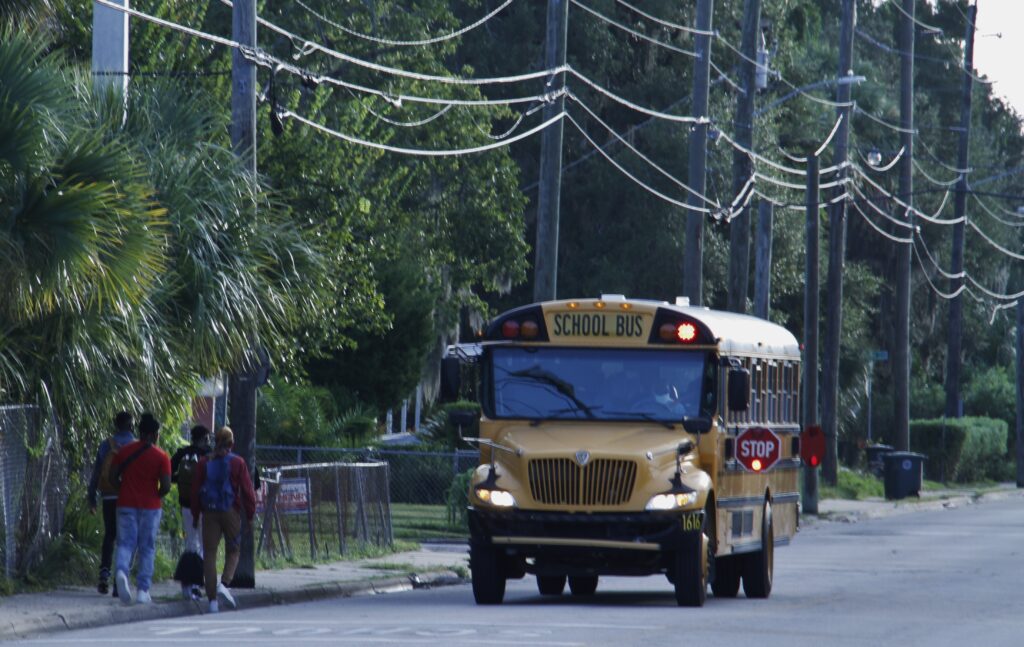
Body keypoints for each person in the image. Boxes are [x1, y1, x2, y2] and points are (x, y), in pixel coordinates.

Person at [191, 426, 256, 614]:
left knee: (209, 555)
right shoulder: (238, 462)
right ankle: (224, 584)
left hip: (209, 512)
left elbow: (196, 491)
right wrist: (250, 515)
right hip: (231, 512)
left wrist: (196, 515)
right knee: (234, 550)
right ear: (232, 444)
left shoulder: (204, 462)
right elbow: (247, 492)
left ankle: (212, 602)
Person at [113, 412, 172, 605]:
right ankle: (143, 590)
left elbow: (112, 477)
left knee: (125, 543)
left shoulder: (124, 452)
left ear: (139, 432)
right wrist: (156, 494)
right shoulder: (162, 457)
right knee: (146, 547)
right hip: (150, 507)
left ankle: (121, 571)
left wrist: (123, 489)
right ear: (154, 434)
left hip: (126, 504)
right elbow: (166, 486)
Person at [86, 411, 135, 596]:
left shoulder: (107, 444)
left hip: (108, 496)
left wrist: (92, 497)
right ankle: (120, 580)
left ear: (116, 425)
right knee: (126, 539)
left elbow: (97, 473)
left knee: (110, 536)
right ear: (131, 426)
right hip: (128, 498)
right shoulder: (136, 445)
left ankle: (104, 574)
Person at [170, 424, 211, 600]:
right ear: (204, 438)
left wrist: (181, 480)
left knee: (191, 543)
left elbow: (169, 473)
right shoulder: (208, 455)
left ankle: (187, 583)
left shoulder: (182, 453)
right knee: (203, 545)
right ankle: (196, 584)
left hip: (186, 504)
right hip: (204, 505)